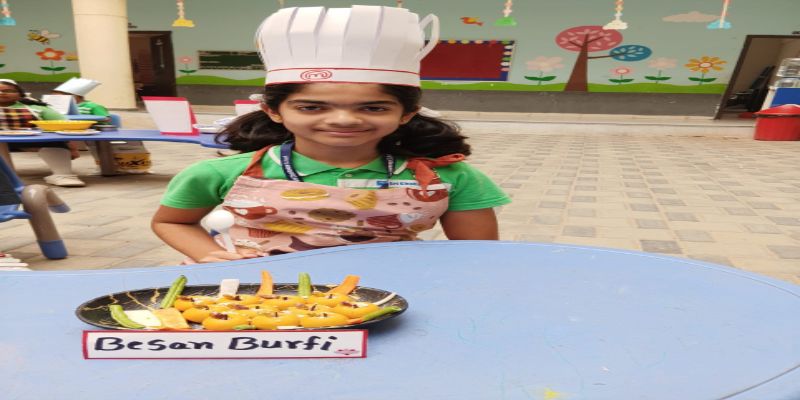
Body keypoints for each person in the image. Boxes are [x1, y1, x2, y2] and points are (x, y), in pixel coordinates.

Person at [152, 5, 511, 263]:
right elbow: (171, 221)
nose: (344, 120)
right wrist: (209, 255)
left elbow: (476, 255)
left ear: (406, 114)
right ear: (274, 111)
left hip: (396, 293)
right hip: (254, 296)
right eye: (312, 107)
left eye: (373, 108)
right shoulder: (217, 174)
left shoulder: (452, 177)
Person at [0, 79, 85, 187]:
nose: (2, 93)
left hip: (33, 140)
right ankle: (6, 178)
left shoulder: (38, 108)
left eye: (8, 91)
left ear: (20, 94)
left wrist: (72, 147)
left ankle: (63, 174)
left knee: (56, 144)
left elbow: (65, 125)